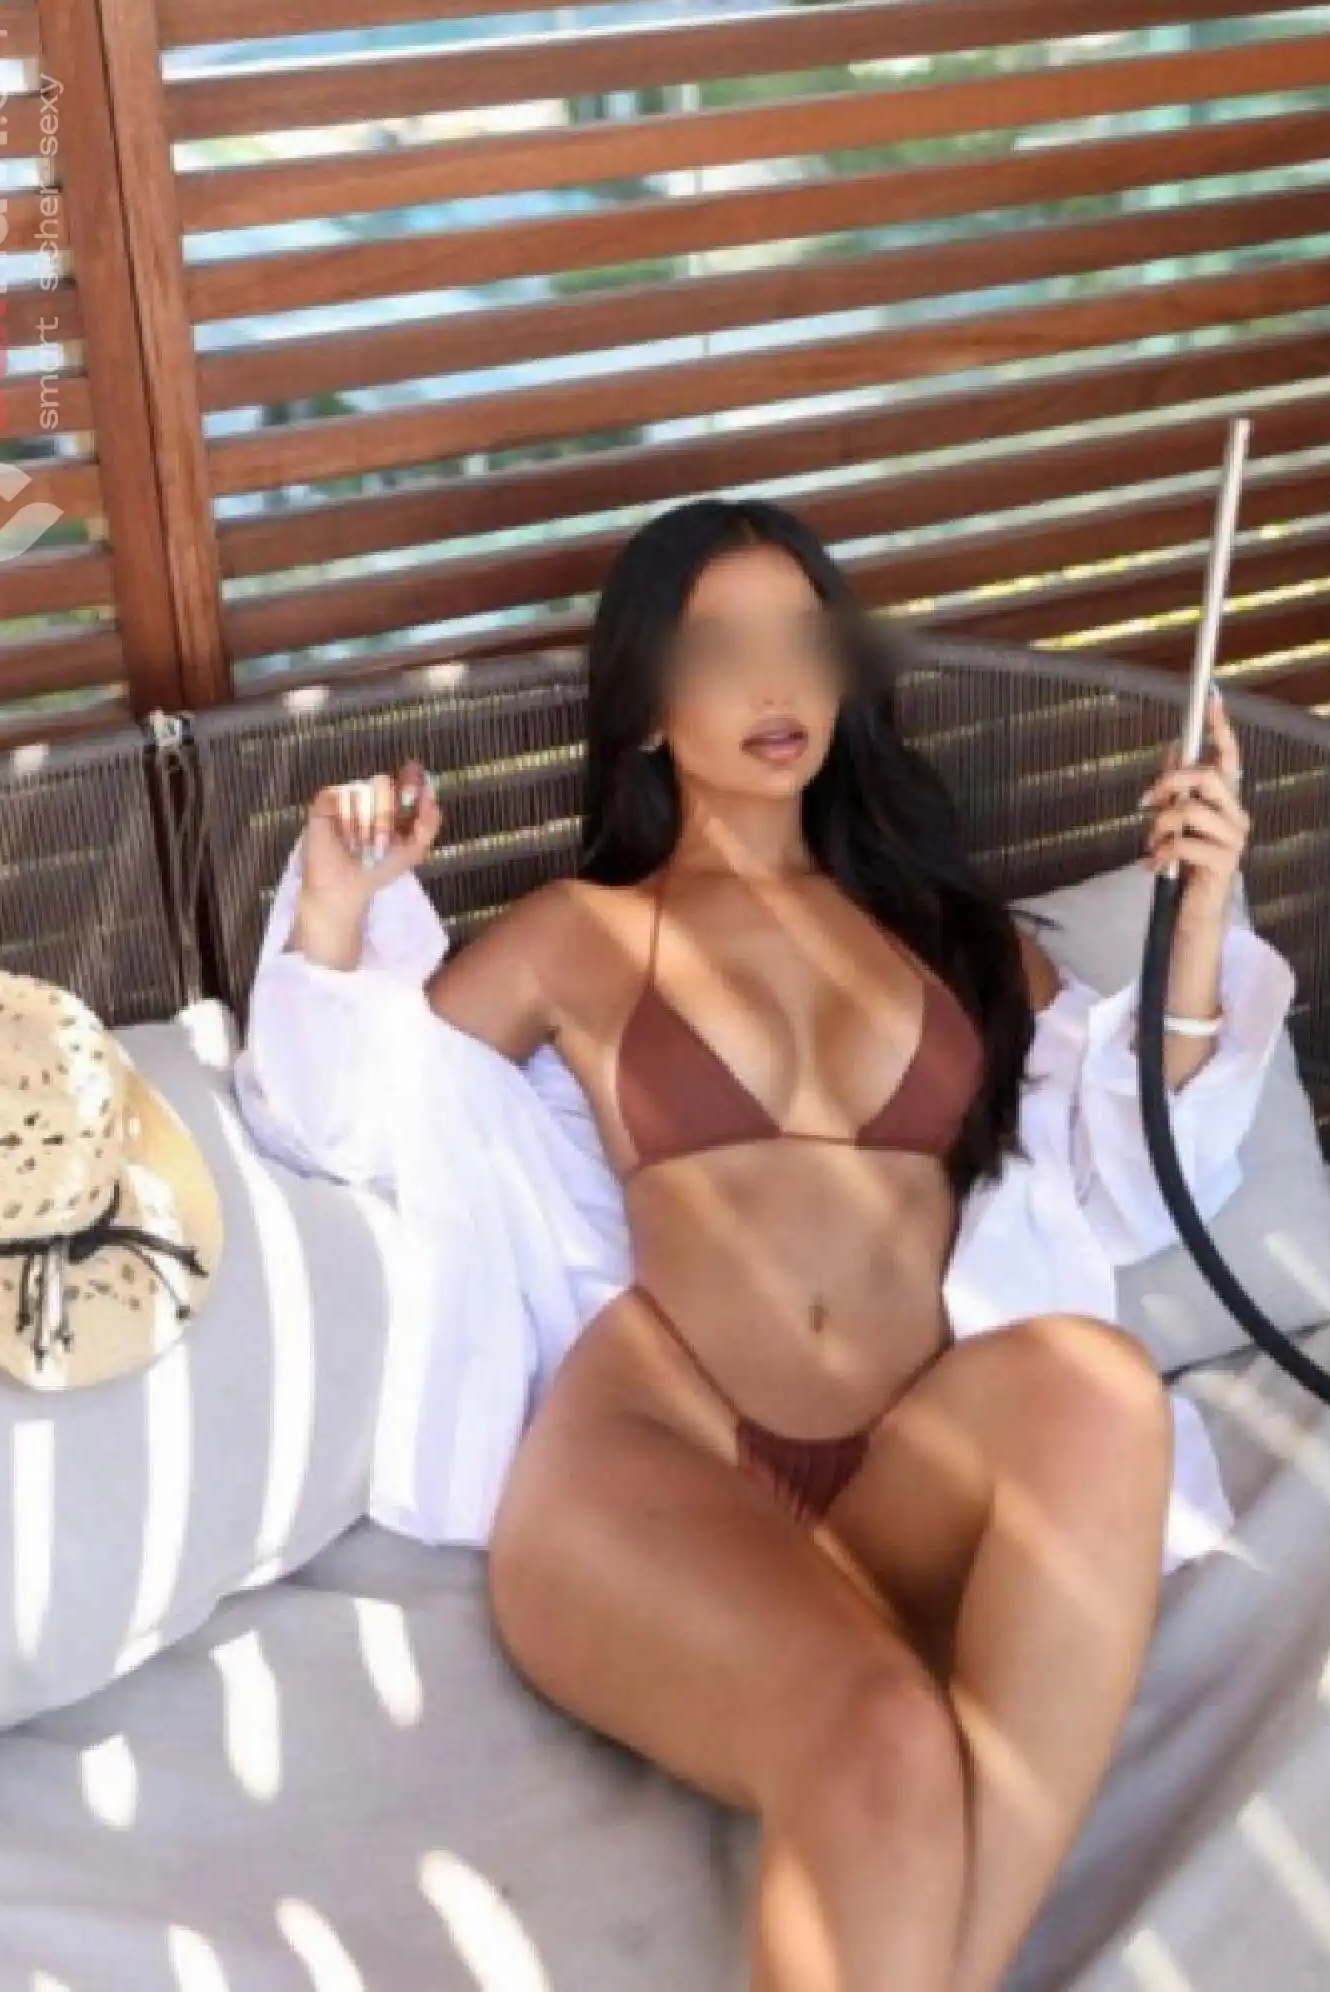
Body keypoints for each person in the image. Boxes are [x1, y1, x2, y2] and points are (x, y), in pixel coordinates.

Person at [272, 497, 1260, 1992]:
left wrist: (1199, 922)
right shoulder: (578, 931)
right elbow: (346, 1116)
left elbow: (1141, 1167)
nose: (775, 683)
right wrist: (338, 908)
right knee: (884, 1734)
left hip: (906, 1476)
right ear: (646, 709)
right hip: (658, 1460)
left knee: (1107, 1391)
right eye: (719, 650)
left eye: (802, 640)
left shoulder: (953, 936)